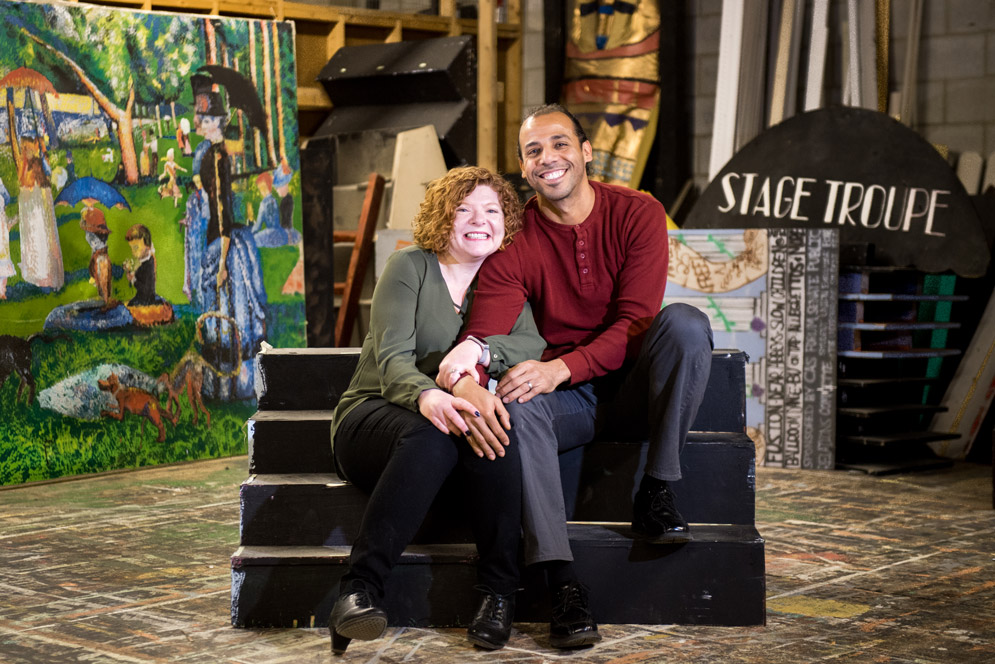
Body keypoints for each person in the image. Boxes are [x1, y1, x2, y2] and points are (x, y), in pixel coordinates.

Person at [437, 104, 714, 649]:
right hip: (570, 401)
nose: (549, 158)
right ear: (524, 167)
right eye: (534, 150)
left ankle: (657, 490)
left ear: (586, 152)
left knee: (685, 324)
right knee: (517, 397)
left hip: (635, 386)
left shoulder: (638, 212)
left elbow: (636, 320)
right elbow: (487, 330)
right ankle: (562, 581)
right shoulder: (515, 238)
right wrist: (466, 376)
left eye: (560, 144)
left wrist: (562, 366)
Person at [328, 166, 544, 655]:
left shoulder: (504, 279)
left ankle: (498, 596)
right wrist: (429, 396)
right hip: (375, 414)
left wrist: (482, 353)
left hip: (452, 428)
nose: (478, 220)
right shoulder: (410, 267)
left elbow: (532, 340)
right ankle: (357, 591)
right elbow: (391, 363)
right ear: (442, 218)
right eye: (463, 209)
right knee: (431, 431)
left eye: (492, 210)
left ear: (506, 222)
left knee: (496, 427)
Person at [191, 73, 267, 400]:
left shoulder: (218, 156)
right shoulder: (209, 152)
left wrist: (222, 261)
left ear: (215, 122)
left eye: (202, 116)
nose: (196, 120)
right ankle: (223, 384)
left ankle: (230, 385)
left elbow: (222, 209)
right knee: (220, 313)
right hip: (217, 239)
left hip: (224, 245)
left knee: (227, 314)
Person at [17, 137, 64, 291]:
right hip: (33, 213)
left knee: (42, 241)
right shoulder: (29, 166)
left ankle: (47, 278)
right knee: (36, 241)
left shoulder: (37, 165)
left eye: (27, 148)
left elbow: (34, 188)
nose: (25, 151)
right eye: (24, 148)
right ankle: (42, 277)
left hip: (38, 212)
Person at [123, 223, 174, 326]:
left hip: (145, 300)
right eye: (132, 248)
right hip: (141, 298)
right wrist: (130, 274)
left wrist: (134, 280)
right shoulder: (144, 262)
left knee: (128, 312)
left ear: (147, 246)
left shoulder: (148, 264)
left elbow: (147, 289)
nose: (133, 252)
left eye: (136, 247)